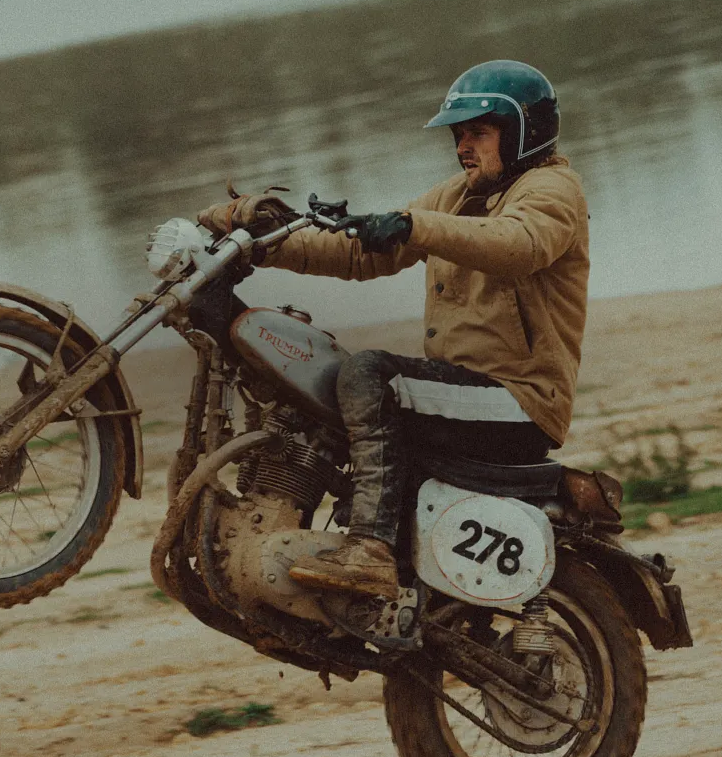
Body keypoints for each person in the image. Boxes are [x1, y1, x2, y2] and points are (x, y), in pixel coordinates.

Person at [196, 60, 589, 601]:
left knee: (369, 376)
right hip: (461, 391)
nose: (463, 147)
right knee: (323, 388)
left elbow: (518, 244)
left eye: (478, 132)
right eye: (459, 135)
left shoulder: (553, 190)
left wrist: (415, 225)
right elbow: (358, 253)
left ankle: (370, 552)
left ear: (524, 130)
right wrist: (257, 235)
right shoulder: (457, 194)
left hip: (518, 402)